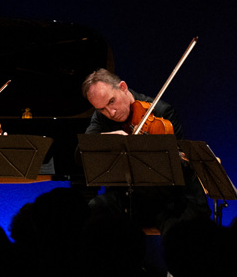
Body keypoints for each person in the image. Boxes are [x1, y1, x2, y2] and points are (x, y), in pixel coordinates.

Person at [81, 68, 210, 230]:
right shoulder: (102, 116)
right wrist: (112, 138)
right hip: (125, 198)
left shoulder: (161, 112)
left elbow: (178, 166)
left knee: (177, 226)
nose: (111, 113)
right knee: (93, 209)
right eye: (101, 109)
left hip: (162, 199)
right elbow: (84, 149)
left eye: (111, 101)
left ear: (123, 87)